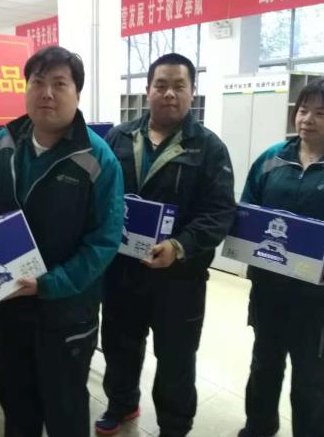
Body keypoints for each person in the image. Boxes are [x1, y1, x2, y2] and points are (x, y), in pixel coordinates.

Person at [0, 46, 124, 437]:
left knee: (65, 406)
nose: (47, 93)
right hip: (10, 300)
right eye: (38, 82)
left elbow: (104, 241)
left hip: (66, 308)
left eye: (60, 84)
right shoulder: (3, 143)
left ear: (77, 94)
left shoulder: (97, 160)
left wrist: (49, 283)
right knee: (14, 397)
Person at [96, 53, 236, 437]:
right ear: (147, 90)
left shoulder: (209, 148)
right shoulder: (118, 138)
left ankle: (174, 425)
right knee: (119, 344)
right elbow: (99, 196)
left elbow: (220, 212)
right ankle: (121, 403)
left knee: (176, 356)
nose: (169, 94)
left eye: (178, 86)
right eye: (161, 85)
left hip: (179, 278)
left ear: (192, 92)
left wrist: (179, 245)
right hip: (123, 270)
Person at [236, 77, 324, 437]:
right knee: (264, 363)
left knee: (312, 375)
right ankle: (258, 427)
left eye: (320, 113)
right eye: (303, 110)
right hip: (269, 286)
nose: (307, 120)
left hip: (322, 293)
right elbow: (249, 209)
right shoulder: (272, 158)